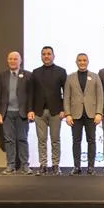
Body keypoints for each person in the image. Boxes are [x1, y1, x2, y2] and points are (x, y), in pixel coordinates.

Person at [29, 46, 67, 175]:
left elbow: (66, 93)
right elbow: (31, 93)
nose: (46, 56)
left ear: (53, 56)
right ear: (41, 56)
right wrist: (30, 110)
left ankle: (56, 165)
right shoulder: (35, 72)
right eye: (44, 54)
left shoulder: (61, 71)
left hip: (56, 111)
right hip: (39, 111)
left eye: (49, 54)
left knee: (55, 140)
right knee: (42, 140)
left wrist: (64, 110)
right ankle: (43, 165)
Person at [0, 51, 33, 175]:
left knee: (22, 139)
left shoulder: (28, 75)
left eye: (15, 59)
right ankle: (10, 165)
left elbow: (31, 95)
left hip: (22, 113)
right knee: (9, 140)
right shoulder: (2, 75)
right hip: (6, 113)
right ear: (7, 60)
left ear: (20, 61)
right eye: (10, 59)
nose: (13, 61)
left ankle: (25, 165)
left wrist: (30, 110)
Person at [64, 53, 103, 175]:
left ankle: (91, 167)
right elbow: (66, 97)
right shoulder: (70, 77)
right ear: (76, 62)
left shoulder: (95, 77)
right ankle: (77, 167)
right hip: (75, 115)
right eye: (80, 60)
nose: (82, 62)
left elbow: (100, 96)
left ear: (88, 62)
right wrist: (68, 114)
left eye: (84, 60)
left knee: (91, 141)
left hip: (91, 114)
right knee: (76, 141)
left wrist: (99, 113)